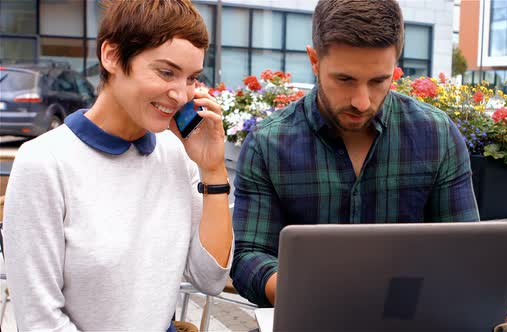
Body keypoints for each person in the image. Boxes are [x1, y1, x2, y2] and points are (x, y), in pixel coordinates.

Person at [230, 0, 479, 308]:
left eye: (378, 81)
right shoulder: (268, 143)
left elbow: (463, 253)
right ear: (314, 61)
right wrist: (296, 289)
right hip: (309, 314)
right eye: (345, 80)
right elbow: (248, 256)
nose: (361, 102)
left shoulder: (436, 134)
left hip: (409, 317)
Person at [3, 1, 233, 330]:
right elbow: (39, 321)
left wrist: (213, 171)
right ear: (111, 56)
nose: (181, 94)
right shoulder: (44, 163)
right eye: (166, 72)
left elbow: (210, 279)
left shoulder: (177, 154)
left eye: (192, 78)